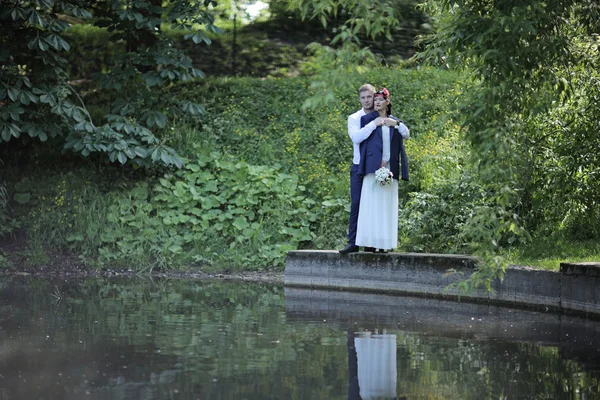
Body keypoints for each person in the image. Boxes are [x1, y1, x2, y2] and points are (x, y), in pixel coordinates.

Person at [355, 88, 409, 252]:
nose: (377, 102)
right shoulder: (367, 120)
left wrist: (396, 124)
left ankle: (384, 244)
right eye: (375, 100)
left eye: (380, 100)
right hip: (372, 170)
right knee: (371, 206)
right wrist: (374, 123)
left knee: (386, 207)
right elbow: (359, 137)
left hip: (389, 171)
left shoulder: (394, 121)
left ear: (387, 102)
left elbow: (406, 134)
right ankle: (369, 243)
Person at [339, 84, 384, 254]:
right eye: (363, 97)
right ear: (359, 99)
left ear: (374, 97)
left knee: (373, 205)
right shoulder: (354, 118)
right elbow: (356, 137)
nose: (366, 100)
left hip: (375, 166)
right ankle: (353, 243)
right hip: (358, 165)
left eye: (369, 97)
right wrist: (373, 124)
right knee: (357, 204)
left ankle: (371, 244)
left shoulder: (380, 115)